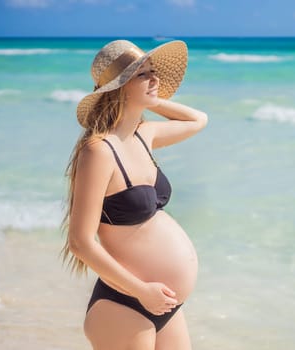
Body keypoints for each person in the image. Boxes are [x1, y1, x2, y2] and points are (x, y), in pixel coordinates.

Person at [61, 39, 207, 350]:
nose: (155, 79)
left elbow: (198, 120)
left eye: (154, 72)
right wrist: (141, 290)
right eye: (142, 74)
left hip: (163, 304)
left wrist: (150, 99)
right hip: (125, 303)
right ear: (120, 86)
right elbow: (80, 242)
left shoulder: (144, 134)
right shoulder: (98, 150)